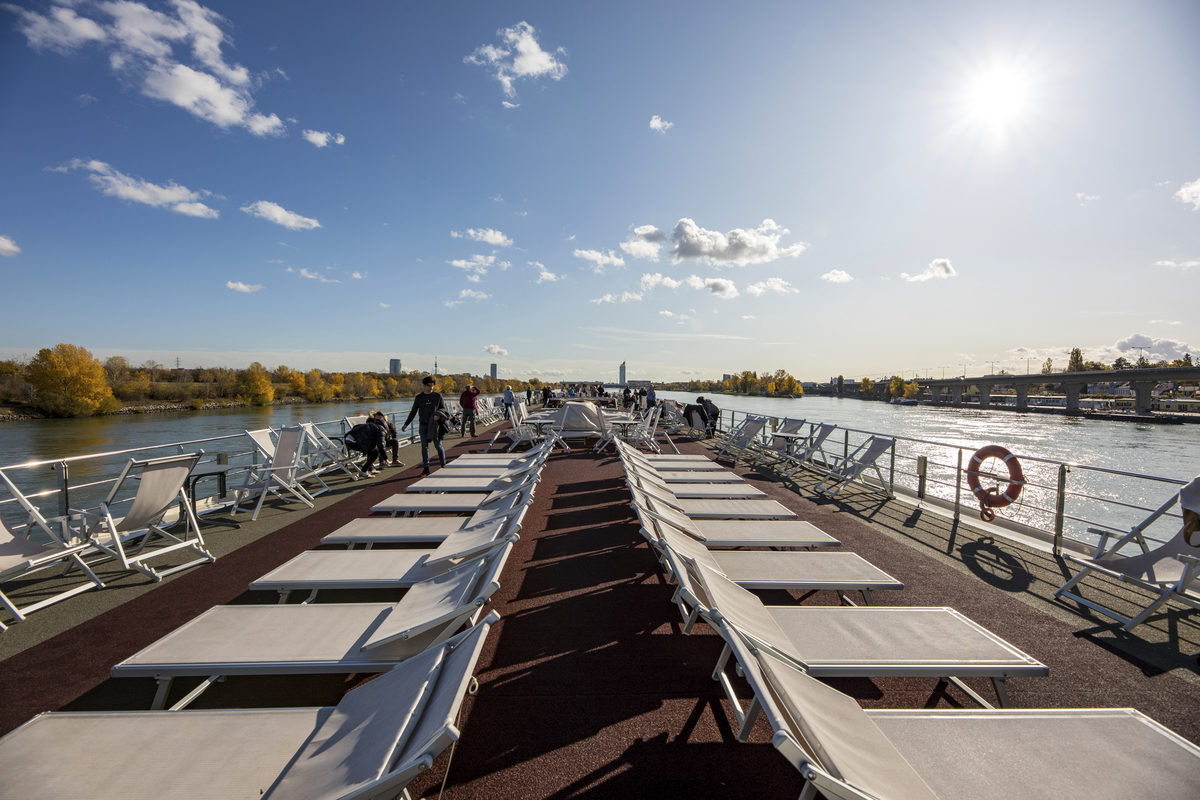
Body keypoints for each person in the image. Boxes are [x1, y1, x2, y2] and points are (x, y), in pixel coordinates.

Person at [403, 376, 448, 475]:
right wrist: (406, 424)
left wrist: (439, 416)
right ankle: (426, 468)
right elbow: (413, 411)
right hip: (423, 425)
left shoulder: (438, 396)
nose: (431, 388)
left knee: (438, 445)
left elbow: (444, 409)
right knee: (424, 447)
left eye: (432, 386)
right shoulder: (419, 398)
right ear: (424, 385)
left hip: (435, 425)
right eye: (429, 386)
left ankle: (443, 464)